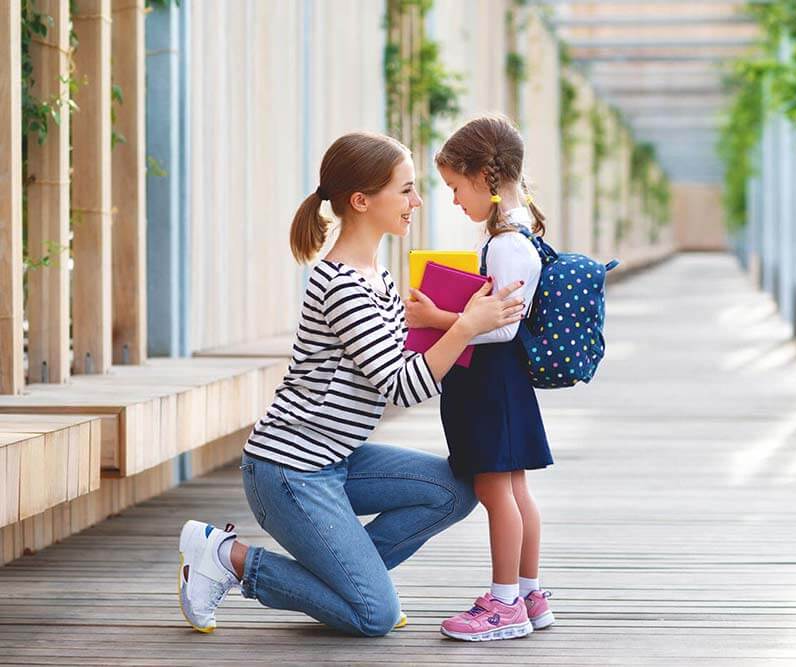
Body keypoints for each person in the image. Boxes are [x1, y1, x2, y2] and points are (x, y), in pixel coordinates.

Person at [177, 131, 526, 636]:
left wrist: (450, 319)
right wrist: (468, 325)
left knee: (455, 490)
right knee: (373, 616)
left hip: (336, 460)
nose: (417, 201)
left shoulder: (377, 276)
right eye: (405, 190)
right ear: (362, 201)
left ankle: (349, 583)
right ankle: (229, 558)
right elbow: (402, 386)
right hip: (288, 471)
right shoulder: (341, 285)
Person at [405, 115, 555, 641]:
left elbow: (499, 329)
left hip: (489, 385)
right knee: (514, 492)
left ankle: (505, 602)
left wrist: (434, 320)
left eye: (454, 186)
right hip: (502, 386)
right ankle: (529, 593)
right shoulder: (517, 236)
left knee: (498, 494)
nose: (452, 200)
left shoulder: (506, 244)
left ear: (483, 178)